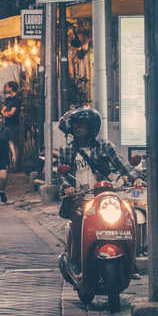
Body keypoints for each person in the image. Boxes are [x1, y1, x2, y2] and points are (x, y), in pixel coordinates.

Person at [57, 107, 144, 266]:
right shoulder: (66, 150)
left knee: (128, 217)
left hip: (106, 195)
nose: (78, 128)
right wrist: (67, 187)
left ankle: (131, 262)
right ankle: (77, 261)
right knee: (78, 224)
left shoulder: (105, 146)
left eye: (82, 124)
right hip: (80, 197)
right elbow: (62, 175)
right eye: (76, 124)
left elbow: (122, 164)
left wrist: (136, 178)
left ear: (91, 127)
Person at [0, 81, 22, 154]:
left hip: (14, 125)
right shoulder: (8, 99)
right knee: (7, 143)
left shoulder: (17, 99)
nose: (5, 88)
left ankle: (15, 162)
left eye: (7, 87)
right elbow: (2, 111)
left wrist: (6, 113)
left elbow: (12, 113)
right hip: (7, 124)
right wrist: (5, 113)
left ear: (11, 88)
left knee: (15, 143)